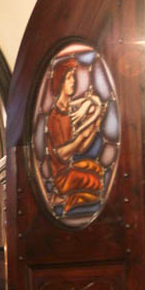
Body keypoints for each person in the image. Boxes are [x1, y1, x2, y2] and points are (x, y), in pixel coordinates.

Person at [46, 57, 104, 215]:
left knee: (98, 170)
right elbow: (62, 154)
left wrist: (95, 124)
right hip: (61, 178)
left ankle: (64, 199)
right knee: (97, 183)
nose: (74, 81)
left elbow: (80, 149)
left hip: (69, 169)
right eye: (70, 77)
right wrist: (80, 137)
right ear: (61, 82)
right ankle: (64, 199)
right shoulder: (55, 116)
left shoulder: (66, 112)